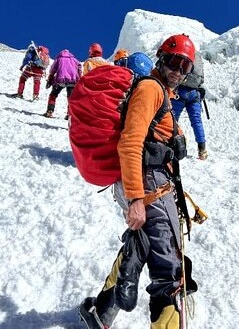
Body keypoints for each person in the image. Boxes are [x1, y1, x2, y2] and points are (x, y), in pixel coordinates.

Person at [78, 34, 198, 329]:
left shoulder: (163, 96)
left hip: (152, 183)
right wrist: (135, 199)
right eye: (174, 61)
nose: (178, 70)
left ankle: (101, 313)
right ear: (161, 58)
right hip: (147, 186)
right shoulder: (150, 90)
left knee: (143, 246)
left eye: (185, 67)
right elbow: (130, 143)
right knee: (168, 269)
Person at [171, 50, 208, 160]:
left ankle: (175, 143)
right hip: (195, 93)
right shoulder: (198, 57)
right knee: (196, 121)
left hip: (180, 91)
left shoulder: (182, 54)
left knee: (172, 119)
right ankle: (202, 150)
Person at [43, 49, 82, 119]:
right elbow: (79, 68)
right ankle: (70, 114)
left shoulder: (59, 59)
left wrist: (50, 80)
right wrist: (79, 79)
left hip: (60, 80)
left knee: (53, 95)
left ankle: (49, 111)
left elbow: (52, 70)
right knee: (70, 98)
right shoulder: (74, 59)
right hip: (73, 81)